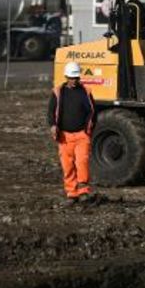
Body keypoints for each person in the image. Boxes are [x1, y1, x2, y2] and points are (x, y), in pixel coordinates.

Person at [48, 61, 96, 204]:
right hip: (64, 136)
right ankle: (72, 193)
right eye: (71, 77)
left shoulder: (85, 92)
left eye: (76, 78)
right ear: (66, 76)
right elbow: (51, 112)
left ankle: (83, 191)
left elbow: (92, 112)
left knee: (82, 162)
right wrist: (52, 126)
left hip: (82, 135)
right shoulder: (58, 92)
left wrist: (89, 129)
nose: (74, 81)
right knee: (67, 166)